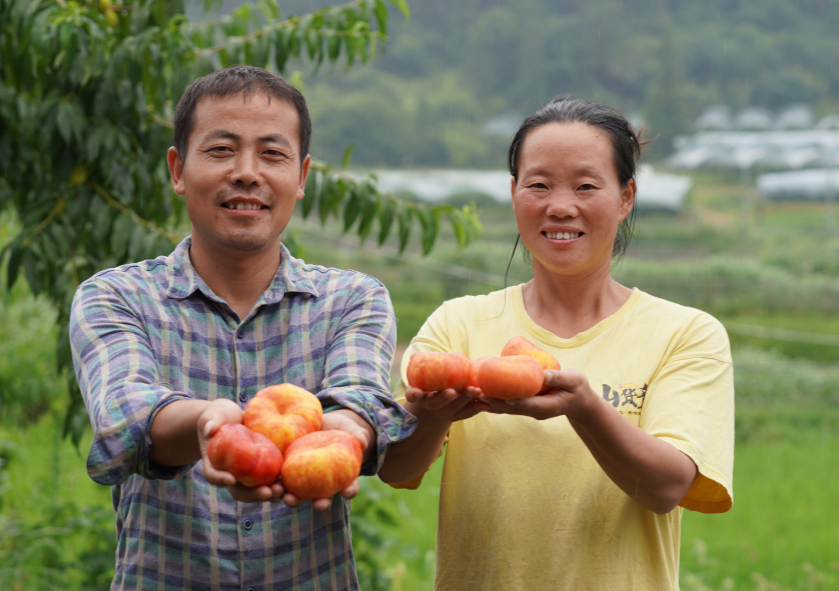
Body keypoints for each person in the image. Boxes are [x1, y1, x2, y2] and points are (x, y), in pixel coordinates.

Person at [70, 65, 415, 591]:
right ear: (178, 169)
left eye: (272, 154)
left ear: (300, 178)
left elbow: (360, 399)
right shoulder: (116, 297)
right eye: (221, 149)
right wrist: (211, 424)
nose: (247, 172)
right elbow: (126, 418)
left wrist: (349, 433)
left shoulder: (353, 299)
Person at [378, 96, 734, 591]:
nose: (560, 207)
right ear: (514, 191)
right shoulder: (459, 323)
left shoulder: (685, 334)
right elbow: (395, 468)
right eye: (539, 185)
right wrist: (435, 414)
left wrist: (585, 407)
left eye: (586, 186)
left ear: (626, 196)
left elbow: (667, 486)